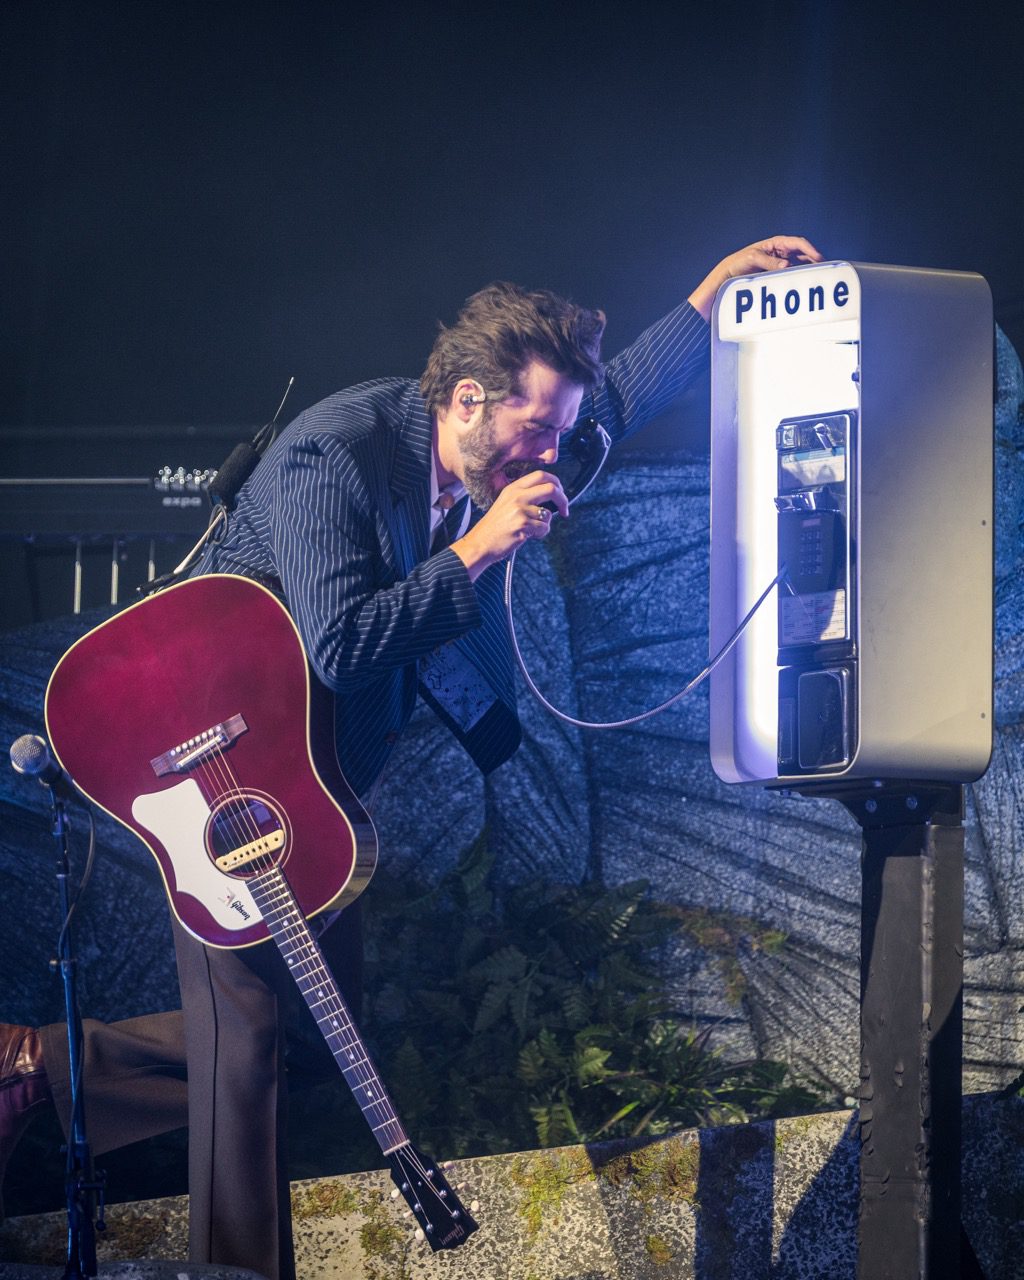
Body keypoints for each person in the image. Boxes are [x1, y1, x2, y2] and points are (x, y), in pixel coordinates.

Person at [0, 236, 822, 1279]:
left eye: (555, 437)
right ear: (469, 397)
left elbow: (607, 400)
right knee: (246, 1053)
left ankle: (36, 1061)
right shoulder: (331, 454)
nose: (548, 459)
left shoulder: (508, 436)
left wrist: (707, 301)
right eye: (534, 433)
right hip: (217, 777)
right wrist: (477, 548)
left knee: (303, 1048)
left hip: (324, 783)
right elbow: (340, 641)